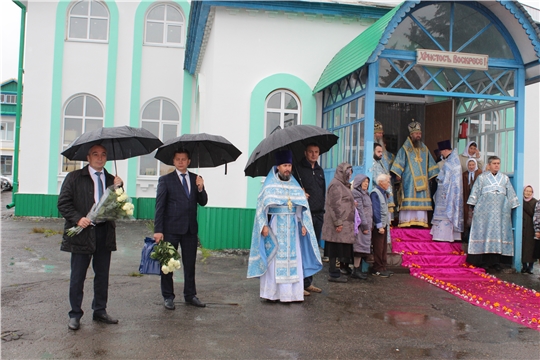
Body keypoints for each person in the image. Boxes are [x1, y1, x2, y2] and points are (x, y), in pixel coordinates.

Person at [58, 144, 123, 331]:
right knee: (78, 276)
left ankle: (100, 310)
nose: (100, 158)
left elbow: (119, 205)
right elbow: (63, 203)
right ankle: (75, 314)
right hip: (82, 233)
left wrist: (120, 188)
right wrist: (78, 218)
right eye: (95, 154)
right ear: (88, 157)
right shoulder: (74, 177)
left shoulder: (112, 179)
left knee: (102, 275)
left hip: (104, 233)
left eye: (103, 154)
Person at [247, 150, 322, 302]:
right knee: (275, 259)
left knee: (293, 259)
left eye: (289, 165)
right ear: (278, 167)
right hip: (276, 226)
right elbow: (261, 207)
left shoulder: (295, 185)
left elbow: (300, 206)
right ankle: (273, 294)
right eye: (284, 165)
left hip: (293, 226)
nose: (287, 168)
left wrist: (302, 223)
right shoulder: (269, 185)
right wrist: (263, 226)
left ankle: (292, 294)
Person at [154, 150, 208, 310]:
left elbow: (203, 201)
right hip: (171, 229)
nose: (180, 162)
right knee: (168, 264)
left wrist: (200, 188)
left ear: (189, 161)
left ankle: (190, 295)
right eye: (177, 159)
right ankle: (168, 296)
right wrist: (158, 230)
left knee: (190, 264)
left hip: (190, 230)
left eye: (183, 159)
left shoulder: (195, 179)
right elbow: (160, 206)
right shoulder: (166, 180)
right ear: (174, 161)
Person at [466, 156, 519, 271]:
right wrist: (473, 205)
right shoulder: (482, 178)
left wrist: (513, 203)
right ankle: (483, 261)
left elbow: (510, 193)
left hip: (501, 212)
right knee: (485, 234)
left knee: (499, 234)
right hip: (484, 212)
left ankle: (497, 262)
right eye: (494, 163)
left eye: (498, 163)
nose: (496, 165)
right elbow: (475, 192)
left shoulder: (505, 178)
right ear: (489, 165)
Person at [390, 120, 439, 228]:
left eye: (420, 133)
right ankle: (407, 221)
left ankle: (420, 221)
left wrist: (432, 174)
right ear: (411, 134)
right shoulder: (405, 149)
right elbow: (399, 162)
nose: (418, 135)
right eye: (416, 133)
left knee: (421, 201)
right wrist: (398, 174)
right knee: (409, 197)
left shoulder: (424, 148)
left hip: (423, 180)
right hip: (409, 181)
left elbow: (430, 162)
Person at [293, 143, 325, 295]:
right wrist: (300, 193)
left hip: (318, 214)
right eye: (311, 152)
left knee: (313, 248)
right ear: (305, 152)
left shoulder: (319, 170)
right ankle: (300, 282)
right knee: (303, 248)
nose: (314, 154)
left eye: (316, 152)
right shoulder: (298, 169)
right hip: (305, 214)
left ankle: (308, 282)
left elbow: (322, 191)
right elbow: (293, 189)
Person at [322, 162, 355, 283]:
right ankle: (333, 274)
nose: (350, 176)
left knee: (337, 249)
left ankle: (336, 273)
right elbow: (334, 205)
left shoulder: (342, 184)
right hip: (337, 225)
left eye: (351, 173)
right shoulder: (336, 185)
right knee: (334, 250)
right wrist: (338, 222)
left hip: (342, 224)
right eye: (348, 173)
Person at [430, 140, 463, 242]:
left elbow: (449, 178)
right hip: (444, 191)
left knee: (447, 214)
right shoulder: (451, 160)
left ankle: (445, 235)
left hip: (448, 192)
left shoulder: (452, 161)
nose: (441, 154)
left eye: (441, 151)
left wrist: (440, 178)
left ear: (444, 150)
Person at [370, 174, 393, 277]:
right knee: (378, 247)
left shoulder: (383, 193)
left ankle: (383, 266)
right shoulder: (375, 193)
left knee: (383, 247)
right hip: (379, 225)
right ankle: (377, 268)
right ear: (381, 182)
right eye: (387, 182)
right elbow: (376, 210)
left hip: (384, 223)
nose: (389, 184)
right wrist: (379, 226)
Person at [351, 174, 372, 280]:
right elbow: (360, 211)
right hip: (361, 225)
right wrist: (364, 226)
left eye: (367, 182)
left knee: (362, 247)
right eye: (364, 182)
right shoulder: (356, 193)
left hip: (367, 224)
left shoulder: (366, 194)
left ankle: (358, 269)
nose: (366, 184)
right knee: (359, 247)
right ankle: (356, 270)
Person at [372, 143, 396, 217]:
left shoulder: (378, 163)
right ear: (372, 152)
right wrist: (387, 190)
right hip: (377, 193)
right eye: (378, 152)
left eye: (381, 152)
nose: (381, 154)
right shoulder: (373, 163)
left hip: (381, 192)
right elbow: (378, 179)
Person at [462, 158, 482, 243]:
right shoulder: (464, 174)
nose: (471, 167)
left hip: (478, 200)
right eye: (469, 165)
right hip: (467, 199)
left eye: (473, 165)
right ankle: (467, 238)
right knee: (468, 217)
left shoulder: (480, 174)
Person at [521, 185, 538, 274]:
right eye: (526, 191)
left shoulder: (535, 202)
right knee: (523, 246)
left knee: (531, 247)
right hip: (522, 226)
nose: (528, 193)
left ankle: (530, 267)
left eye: (530, 191)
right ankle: (524, 266)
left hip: (531, 227)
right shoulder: (520, 201)